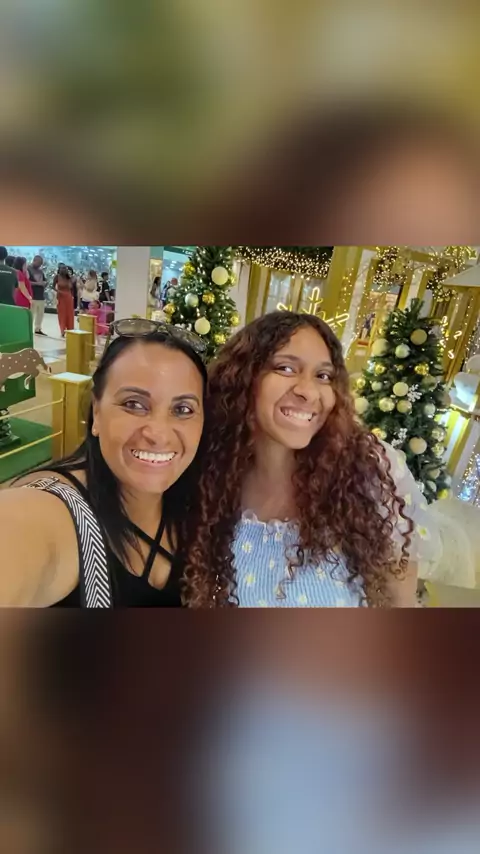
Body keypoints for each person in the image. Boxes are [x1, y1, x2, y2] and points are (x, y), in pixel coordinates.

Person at [184, 311, 439, 608]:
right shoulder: (210, 479)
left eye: (323, 376)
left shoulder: (370, 474)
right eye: (286, 368)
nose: (308, 391)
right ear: (243, 378)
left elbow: (400, 607)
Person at [0, 320, 207, 607]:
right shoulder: (54, 513)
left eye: (183, 409)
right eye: (134, 404)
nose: (158, 434)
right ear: (96, 412)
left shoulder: (199, 501)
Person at [27, 254, 47, 334]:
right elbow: (27, 282)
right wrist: (37, 283)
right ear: (34, 260)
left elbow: (44, 280)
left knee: (40, 314)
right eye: (39, 263)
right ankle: (28, 329)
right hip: (32, 296)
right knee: (31, 314)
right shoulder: (28, 269)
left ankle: (38, 329)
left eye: (41, 264)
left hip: (41, 296)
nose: (40, 265)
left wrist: (44, 283)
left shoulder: (40, 271)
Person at [55, 266, 74, 336]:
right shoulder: (57, 277)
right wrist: (58, 291)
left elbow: (71, 287)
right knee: (62, 314)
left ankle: (70, 330)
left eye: (65, 269)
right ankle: (62, 330)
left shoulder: (68, 278)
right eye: (62, 268)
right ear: (59, 269)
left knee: (69, 314)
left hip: (68, 297)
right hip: (61, 296)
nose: (64, 270)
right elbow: (53, 286)